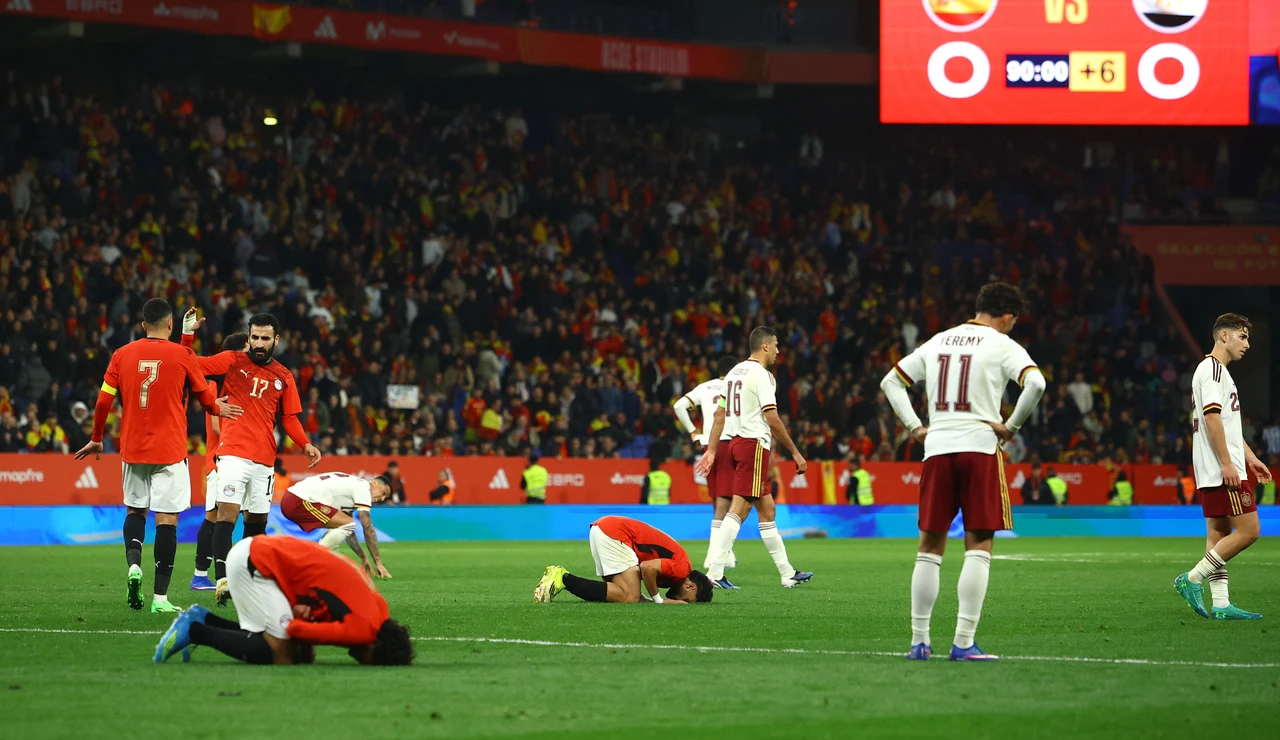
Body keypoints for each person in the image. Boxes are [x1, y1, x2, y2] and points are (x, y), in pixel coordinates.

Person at [879, 282, 1047, 662]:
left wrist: (914, 427)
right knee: (979, 544)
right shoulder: (1001, 344)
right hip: (979, 445)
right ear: (1006, 317)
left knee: (929, 547)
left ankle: (919, 642)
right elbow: (1036, 382)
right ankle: (964, 642)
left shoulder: (938, 341)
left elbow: (891, 381)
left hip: (937, 447)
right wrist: (1012, 426)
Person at [74, 298, 242, 613]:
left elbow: (101, 403)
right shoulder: (182, 354)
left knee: (135, 512)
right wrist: (219, 407)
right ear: (169, 324)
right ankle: (160, 599)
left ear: (142, 325)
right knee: (167, 520)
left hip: (133, 448)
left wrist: (97, 438)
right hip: (170, 450)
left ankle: (133, 566)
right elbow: (206, 399)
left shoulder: (121, 355)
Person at [183, 309, 322, 607]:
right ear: (248, 337)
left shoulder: (284, 376)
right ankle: (222, 580)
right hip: (232, 455)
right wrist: (187, 335)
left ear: (276, 340)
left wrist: (306, 444)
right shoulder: (233, 361)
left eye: (265, 338)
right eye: (255, 337)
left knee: (256, 522)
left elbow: (291, 419)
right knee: (227, 515)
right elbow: (190, 364)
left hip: (264, 460)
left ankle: (247, 577)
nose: (259, 343)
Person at [154, 536, 413, 665]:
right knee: (282, 655)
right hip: (257, 562)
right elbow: (295, 629)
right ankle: (196, 630)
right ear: (376, 647)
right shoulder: (364, 631)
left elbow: (330, 598)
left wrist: (306, 618)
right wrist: (302, 623)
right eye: (371, 662)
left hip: (264, 552)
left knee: (299, 654)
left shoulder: (380, 609)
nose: (361, 661)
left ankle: (203, 619)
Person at [697, 326, 813, 589]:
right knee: (740, 508)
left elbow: (719, 416)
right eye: (776, 346)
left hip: (736, 442)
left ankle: (787, 573)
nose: (778, 351)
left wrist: (713, 450)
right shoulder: (762, 375)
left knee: (767, 508)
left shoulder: (733, 373)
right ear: (765, 346)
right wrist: (795, 452)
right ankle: (715, 572)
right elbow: (771, 417)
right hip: (753, 445)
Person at [1174, 313, 1273, 621]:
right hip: (1221, 468)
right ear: (1223, 336)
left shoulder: (1215, 372)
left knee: (1218, 532)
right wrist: (1229, 464)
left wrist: (1251, 457)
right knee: (1250, 530)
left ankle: (1220, 603)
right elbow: (1213, 418)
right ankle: (1191, 578)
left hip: (1211, 466)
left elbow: (1226, 425)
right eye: (1242, 337)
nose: (1247, 344)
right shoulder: (1214, 370)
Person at [533, 515, 712, 604]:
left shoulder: (679, 566)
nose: (681, 602)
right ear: (690, 586)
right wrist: (659, 600)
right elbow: (647, 567)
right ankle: (563, 578)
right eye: (687, 600)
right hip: (615, 534)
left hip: (604, 529)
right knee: (629, 596)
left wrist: (646, 598)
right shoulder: (682, 568)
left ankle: (561, 579)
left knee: (621, 593)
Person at [190, 331, 249, 591]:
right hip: (219, 458)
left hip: (230, 457)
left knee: (217, 517)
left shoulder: (233, 382)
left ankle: (203, 575)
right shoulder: (215, 384)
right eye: (248, 348)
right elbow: (215, 425)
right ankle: (204, 575)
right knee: (215, 517)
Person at [673, 356, 739, 567]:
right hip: (728, 442)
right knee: (725, 500)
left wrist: (693, 432)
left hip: (708, 445)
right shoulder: (735, 387)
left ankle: (725, 553)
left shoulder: (704, 387)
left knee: (717, 498)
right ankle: (713, 556)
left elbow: (678, 406)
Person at [280, 471, 393, 578]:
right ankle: (313, 562)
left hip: (293, 498)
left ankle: (312, 564)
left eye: (385, 497)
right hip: (299, 501)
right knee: (348, 524)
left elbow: (347, 529)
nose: (382, 498)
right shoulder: (364, 488)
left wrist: (363, 556)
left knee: (344, 525)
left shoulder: (353, 488)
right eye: (383, 493)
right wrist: (378, 562)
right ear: (374, 483)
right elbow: (367, 526)